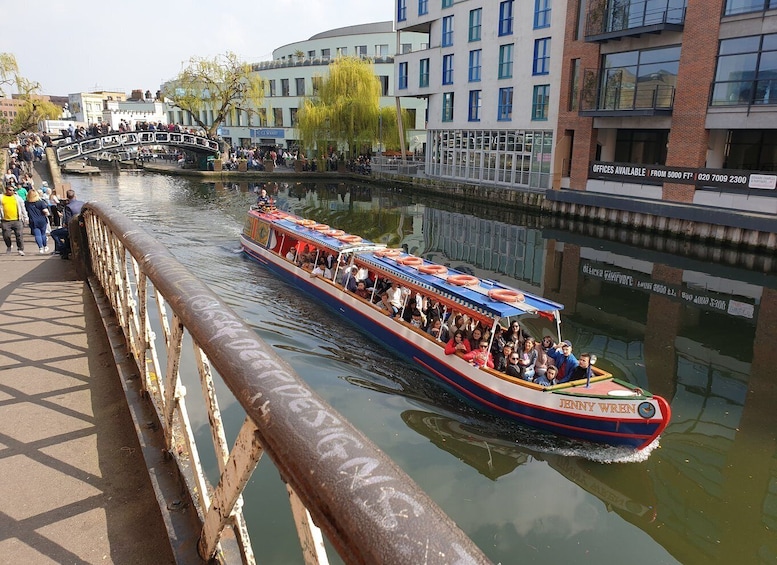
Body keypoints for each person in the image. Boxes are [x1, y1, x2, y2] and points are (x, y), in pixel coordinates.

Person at [49, 189, 84, 259]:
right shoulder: (82, 203)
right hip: (82, 226)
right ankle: (65, 250)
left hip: (72, 228)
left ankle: (62, 249)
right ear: (75, 196)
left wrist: (65, 224)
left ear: (67, 197)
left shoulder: (68, 206)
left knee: (54, 233)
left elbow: (69, 221)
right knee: (65, 236)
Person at [1, 185, 28, 255]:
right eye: (10, 190)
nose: (12, 191)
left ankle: (20, 249)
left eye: (13, 190)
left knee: (19, 235)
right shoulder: (1, 197)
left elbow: (23, 208)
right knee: (6, 236)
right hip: (6, 220)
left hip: (17, 220)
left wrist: (26, 217)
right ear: (6, 190)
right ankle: (9, 246)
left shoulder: (17, 198)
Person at [25, 189, 49, 253]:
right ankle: (45, 246)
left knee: (37, 235)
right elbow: (45, 211)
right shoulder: (40, 202)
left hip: (33, 220)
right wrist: (47, 214)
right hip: (42, 220)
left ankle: (40, 248)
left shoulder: (27, 203)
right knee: (43, 234)